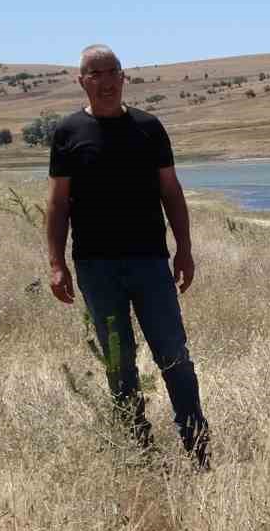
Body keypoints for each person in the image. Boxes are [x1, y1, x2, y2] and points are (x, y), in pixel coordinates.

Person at [46, 44, 210, 468]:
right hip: (96, 267)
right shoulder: (67, 133)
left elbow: (170, 191)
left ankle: (198, 449)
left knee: (173, 354)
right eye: (95, 73)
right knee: (119, 362)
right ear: (81, 81)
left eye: (112, 71)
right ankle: (139, 450)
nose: (105, 80)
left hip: (151, 263)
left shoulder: (149, 128)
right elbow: (58, 203)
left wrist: (185, 250)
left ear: (123, 77)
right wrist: (56, 262)